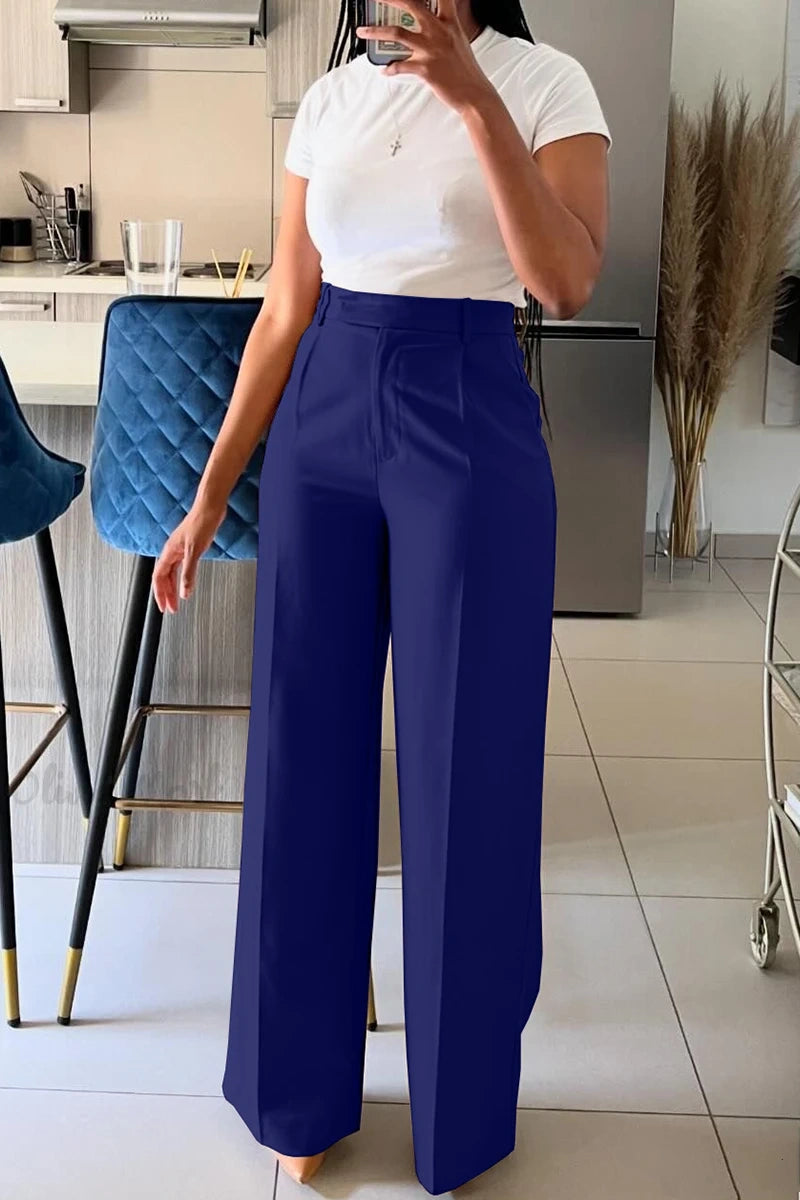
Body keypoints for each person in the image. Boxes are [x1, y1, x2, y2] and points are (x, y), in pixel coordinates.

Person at [152, 0, 611, 1193]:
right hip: (324, 419)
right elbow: (284, 306)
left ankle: (462, 1116)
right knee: (300, 758)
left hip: (467, 406)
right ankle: (293, 1091)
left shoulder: (546, 84)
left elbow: (563, 281)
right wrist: (209, 496)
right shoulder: (331, 99)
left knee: (469, 766)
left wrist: (471, 96)